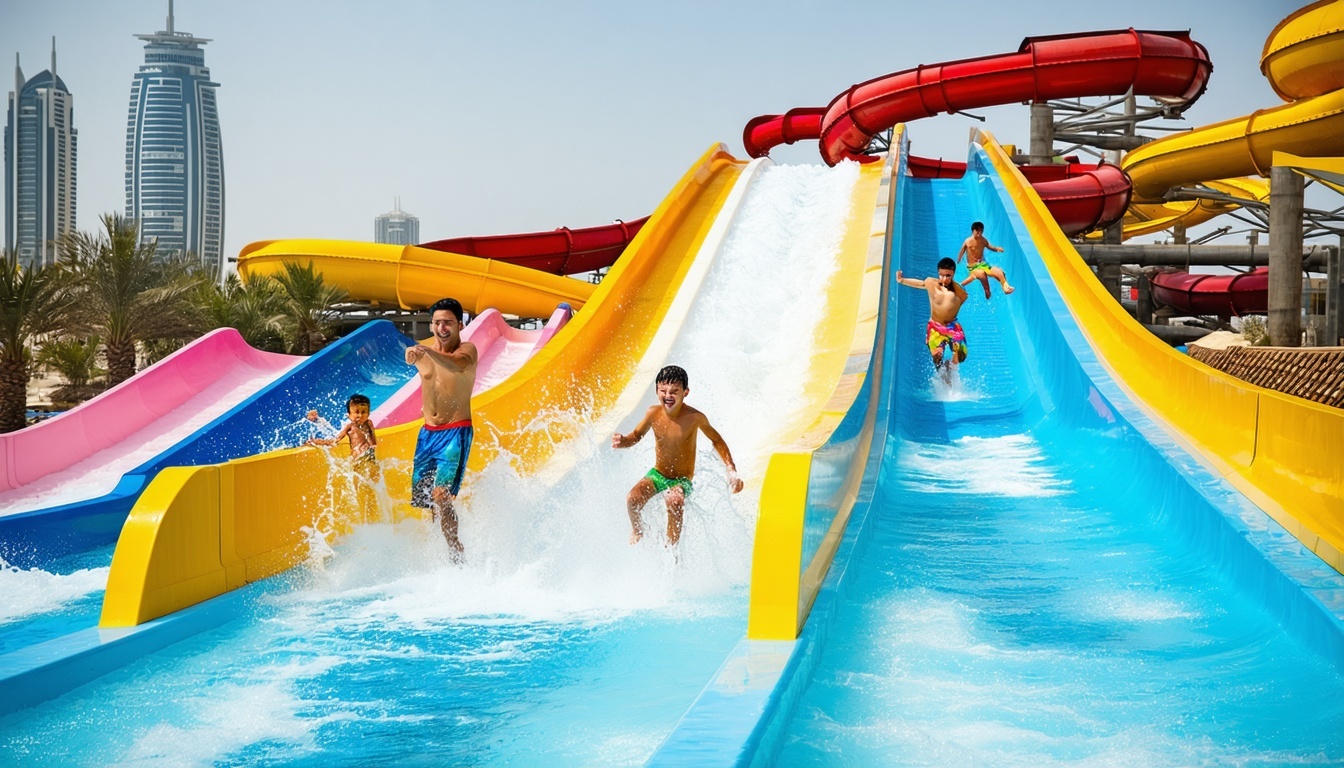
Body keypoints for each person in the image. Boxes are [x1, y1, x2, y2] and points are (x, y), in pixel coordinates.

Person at [611, 365, 744, 546]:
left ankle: (671, 547)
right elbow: (636, 436)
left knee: (674, 500)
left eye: (674, 392)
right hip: (658, 474)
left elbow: (717, 440)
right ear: (656, 390)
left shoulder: (695, 418)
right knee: (632, 500)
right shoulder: (653, 414)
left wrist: (731, 469)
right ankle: (638, 530)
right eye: (663, 391)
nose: (668, 396)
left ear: (685, 392)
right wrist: (623, 441)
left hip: (681, 480)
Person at [406, 297, 478, 561]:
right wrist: (412, 355)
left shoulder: (467, 350)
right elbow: (414, 359)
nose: (441, 328)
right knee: (429, 499)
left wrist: (428, 352)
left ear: (459, 325)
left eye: (447, 322)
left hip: (454, 433)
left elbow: (457, 364)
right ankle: (442, 552)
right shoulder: (426, 353)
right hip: (427, 434)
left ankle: (456, 552)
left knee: (441, 495)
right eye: (436, 323)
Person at [897, 257, 969, 379]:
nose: (944, 279)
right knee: (937, 358)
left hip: (952, 327)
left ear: (953, 274)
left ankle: (950, 367)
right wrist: (902, 280)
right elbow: (920, 284)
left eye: (948, 276)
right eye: (941, 275)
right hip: (935, 327)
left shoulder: (958, 290)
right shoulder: (931, 283)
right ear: (938, 273)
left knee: (961, 354)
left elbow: (963, 298)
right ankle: (944, 379)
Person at [306, 394, 379, 481]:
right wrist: (317, 442)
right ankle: (316, 419)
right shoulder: (349, 426)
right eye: (357, 412)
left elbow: (373, 441)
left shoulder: (369, 423)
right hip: (357, 458)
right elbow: (335, 441)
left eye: (364, 412)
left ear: (369, 413)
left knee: (375, 477)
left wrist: (373, 446)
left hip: (369, 455)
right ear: (349, 415)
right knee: (357, 479)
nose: (360, 415)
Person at [957, 221, 1014, 299]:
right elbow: (962, 251)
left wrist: (997, 249)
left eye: (981, 231)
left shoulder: (983, 240)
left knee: (998, 271)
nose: (980, 233)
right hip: (972, 266)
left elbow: (990, 247)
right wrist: (958, 261)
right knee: (981, 274)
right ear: (973, 231)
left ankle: (1006, 287)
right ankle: (987, 290)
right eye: (978, 231)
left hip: (983, 264)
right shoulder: (968, 241)